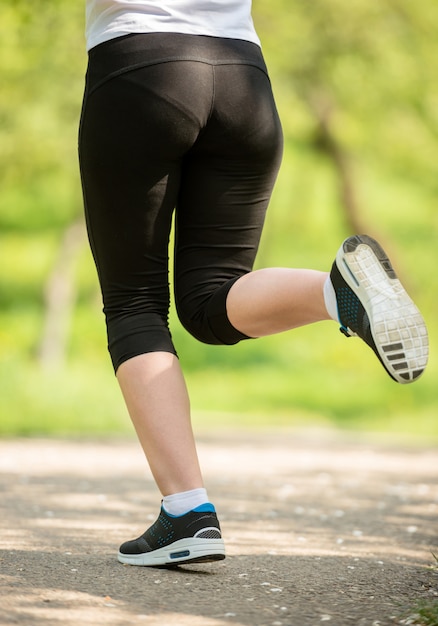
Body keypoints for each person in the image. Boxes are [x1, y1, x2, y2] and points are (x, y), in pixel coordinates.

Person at [78, 0, 429, 567]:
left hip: (141, 65)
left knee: (134, 302)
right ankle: (334, 290)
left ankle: (187, 512)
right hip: (243, 79)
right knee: (210, 300)